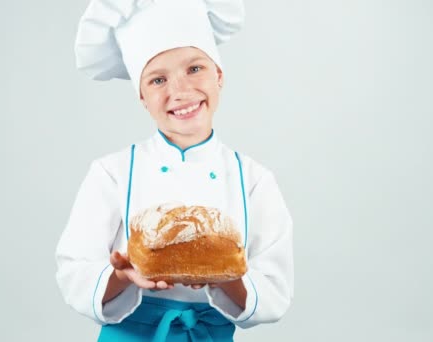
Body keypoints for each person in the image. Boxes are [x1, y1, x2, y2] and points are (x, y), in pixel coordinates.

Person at [55, 0, 294, 340]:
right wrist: (123, 276)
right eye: (157, 80)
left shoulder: (255, 180)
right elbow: (74, 271)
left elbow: (274, 289)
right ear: (141, 96)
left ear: (219, 75)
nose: (179, 91)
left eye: (194, 69)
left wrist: (223, 274)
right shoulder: (111, 173)